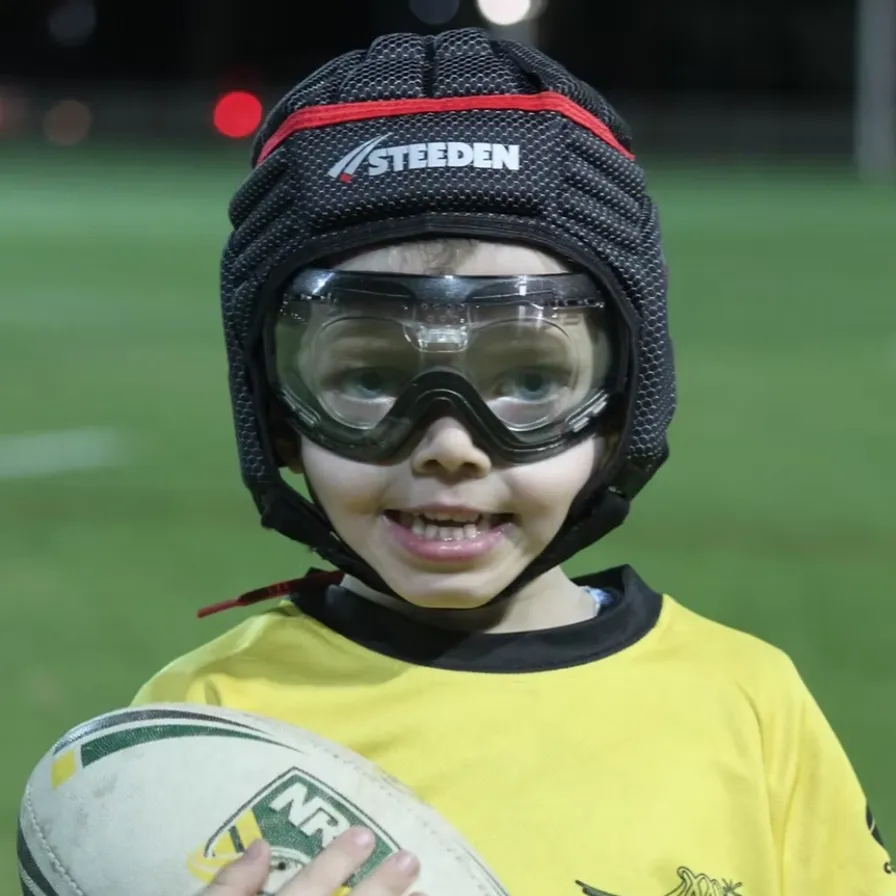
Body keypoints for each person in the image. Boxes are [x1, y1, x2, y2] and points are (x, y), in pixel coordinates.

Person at [134, 27, 893, 896]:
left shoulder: (749, 708)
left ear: (622, 405)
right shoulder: (199, 730)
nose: (449, 445)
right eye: (369, 379)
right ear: (276, 410)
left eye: (530, 380)